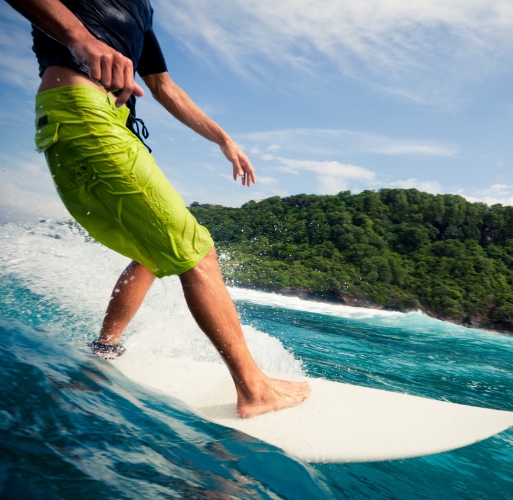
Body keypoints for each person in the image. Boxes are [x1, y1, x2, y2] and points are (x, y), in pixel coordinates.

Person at [6, 0, 310, 418]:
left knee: (152, 250)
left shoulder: (141, 13)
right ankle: (255, 390)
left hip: (104, 124)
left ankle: (104, 348)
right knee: (197, 252)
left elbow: (165, 86)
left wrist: (223, 139)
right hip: (83, 112)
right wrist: (78, 38)